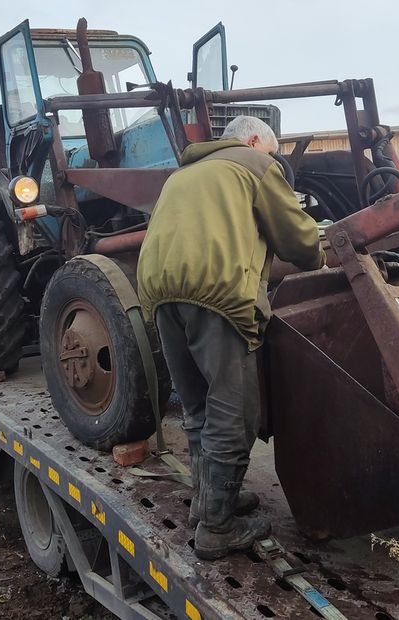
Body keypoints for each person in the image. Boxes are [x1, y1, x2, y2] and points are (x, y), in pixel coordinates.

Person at [137, 116, 326, 560]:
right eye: (272, 151)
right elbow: (297, 239)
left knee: (199, 405)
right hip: (216, 291)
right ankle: (218, 529)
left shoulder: (183, 175)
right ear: (255, 140)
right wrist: (320, 254)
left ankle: (207, 503)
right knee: (234, 409)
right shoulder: (254, 165)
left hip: (160, 293)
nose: (275, 160)